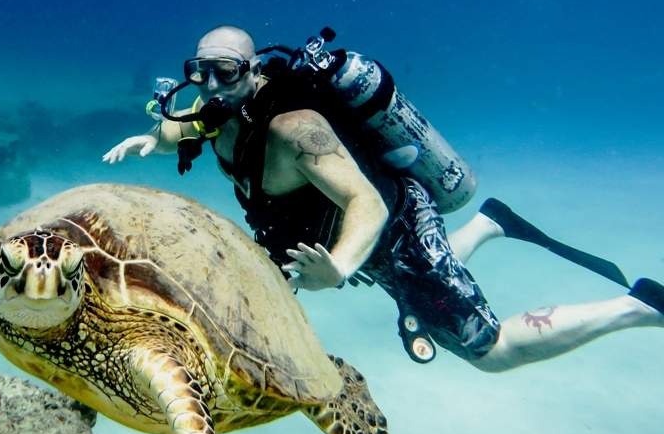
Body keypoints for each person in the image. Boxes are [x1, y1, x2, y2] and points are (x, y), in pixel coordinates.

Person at [102, 25, 664, 370]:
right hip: (356, 248)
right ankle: (491, 223)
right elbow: (190, 128)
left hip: (393, 228)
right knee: (410, 284)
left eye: (224, 72)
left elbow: (365, 204)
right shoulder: (217, 113)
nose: (210, 86)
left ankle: (639, 307)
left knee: (490, 353)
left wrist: (339, 268)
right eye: (198, 72)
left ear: (251, 71)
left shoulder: (296, 130)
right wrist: (150, 139)